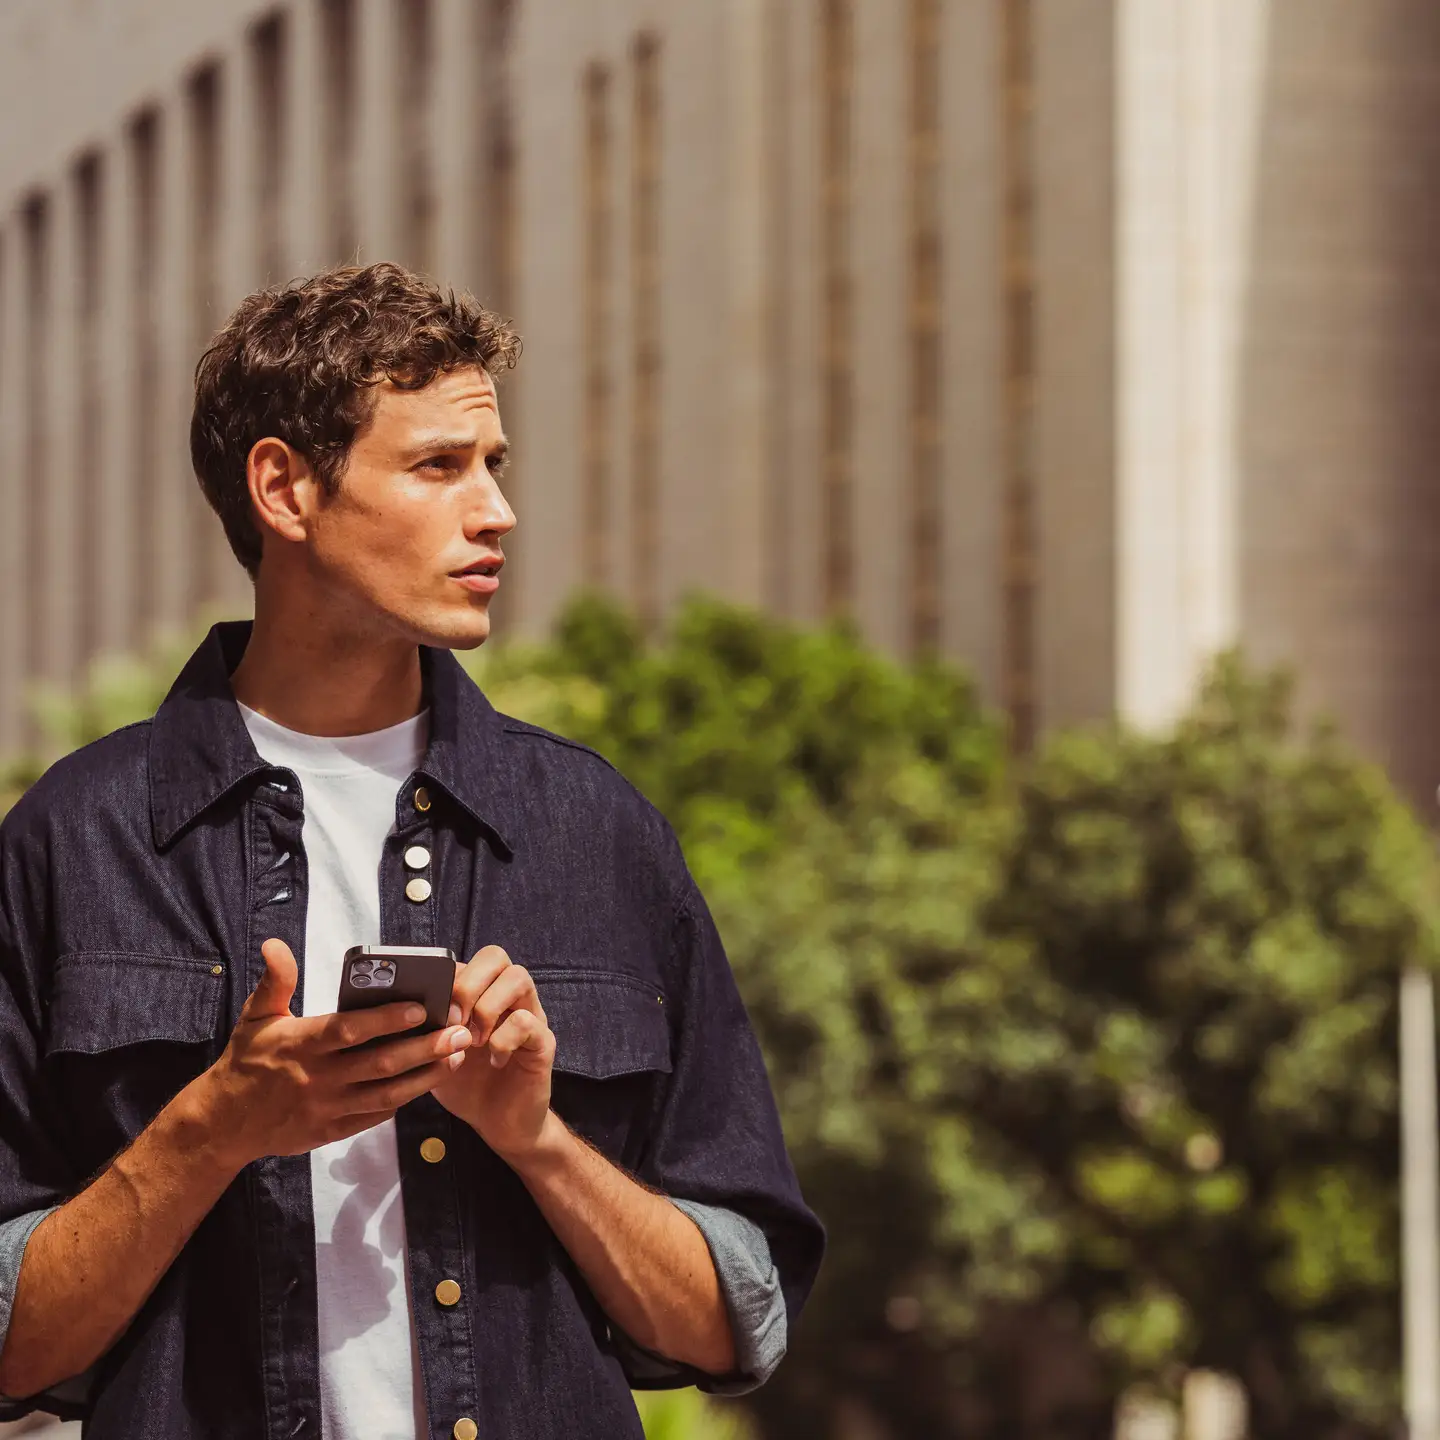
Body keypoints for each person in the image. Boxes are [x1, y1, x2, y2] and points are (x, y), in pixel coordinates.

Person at [0, 263, 823, 1439]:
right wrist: (216, 1125)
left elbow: (733, 1328)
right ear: (284, 489)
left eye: (492, 466)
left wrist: (534, 1135)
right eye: (439, 466)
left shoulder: (596, 832)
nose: (496, 511)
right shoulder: (74, 841)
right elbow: (12, 1347)